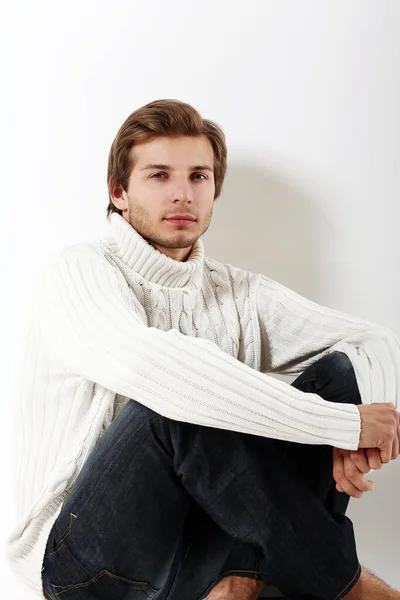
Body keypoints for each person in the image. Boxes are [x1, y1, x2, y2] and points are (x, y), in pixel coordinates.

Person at [5, 99, 400, 600]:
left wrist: (365, 432)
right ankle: (347, 586)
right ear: (119, 192)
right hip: (84, 560)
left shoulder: (239, 293)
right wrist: (339, 424)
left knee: (340, 376)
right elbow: (155, 370)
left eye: (198, 177)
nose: (182, 194)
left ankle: (233, 579)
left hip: (195, 536)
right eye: (159, 176)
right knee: (175, 402)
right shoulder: (79, 272)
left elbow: (372, 341)